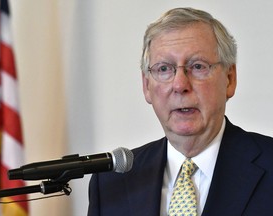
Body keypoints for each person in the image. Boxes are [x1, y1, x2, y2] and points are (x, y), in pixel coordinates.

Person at [87, 7, 273, 216]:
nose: (180, 85)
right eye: (164, 69)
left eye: (198, 66)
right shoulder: (111, 182)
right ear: (146, 86)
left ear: (230, 79)